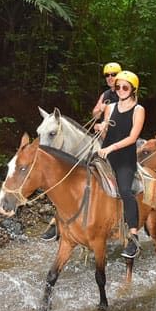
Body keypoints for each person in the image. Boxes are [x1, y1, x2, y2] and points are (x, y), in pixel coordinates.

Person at [41, 61, 122, 241]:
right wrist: (98, 111)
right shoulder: (106, 94)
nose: (110, 78)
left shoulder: (126, 92)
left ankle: (123, 213)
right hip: (101, 137)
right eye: (107, 75)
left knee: (119, 170)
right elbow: (95, 113)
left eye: (113, 74)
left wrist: (107, 125)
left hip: (118, 139)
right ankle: (59, 220)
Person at [97, 70, 146, 258]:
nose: (120, 90)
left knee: (125, 190)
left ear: (133, 89)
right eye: (117, 87)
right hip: (105, 154)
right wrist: (101, 127)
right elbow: (106, 132)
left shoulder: (138, 110)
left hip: (124, 157)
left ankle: (133, 236)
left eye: (125, 87)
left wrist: (111, 148)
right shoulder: (110, 107)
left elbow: (133, 137)